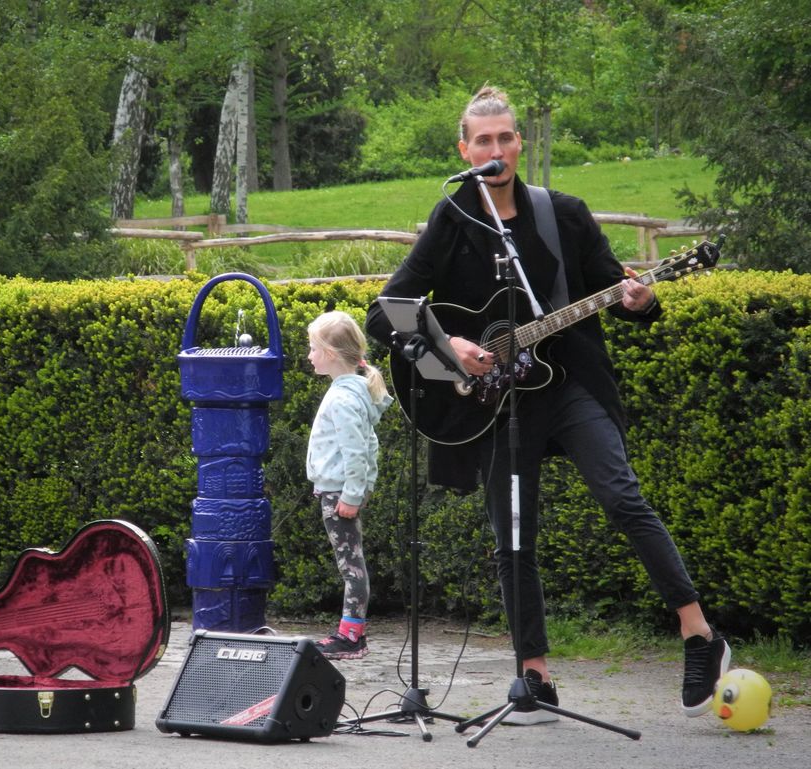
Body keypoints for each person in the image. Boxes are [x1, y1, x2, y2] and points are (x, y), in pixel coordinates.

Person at [364, 86, 728, 722]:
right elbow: (387, 312)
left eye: (506, 137)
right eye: (484, 140)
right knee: (513, 539)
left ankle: (699, 633)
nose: (496, 149)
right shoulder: (453, 218)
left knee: (622, 496)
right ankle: (535, 675)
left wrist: (641, 299)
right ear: (465, 149)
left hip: (569, 385)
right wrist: (450, 345)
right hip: (498, 405)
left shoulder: (561, 212)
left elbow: (616, 286)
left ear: (519, 143)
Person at [306, 311, 393, 660]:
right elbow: (368, 447)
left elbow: (357, 452)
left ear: (329, 353)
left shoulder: (343, 399)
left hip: (339, 494)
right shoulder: (351, 392)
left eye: (313, 348)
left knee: (351, 566)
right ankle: (351, 633)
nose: (309, 356)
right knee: (351, 563)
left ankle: (351, 637)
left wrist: (352, 495)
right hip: (339, 491)